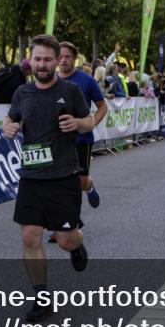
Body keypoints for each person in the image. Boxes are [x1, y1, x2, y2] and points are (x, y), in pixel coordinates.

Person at [1, 34, 94, 321]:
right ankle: (42, 299)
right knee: (30, 236)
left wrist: (78, 123)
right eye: (37, 59)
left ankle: (77, 246)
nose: (42, 65)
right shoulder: (22, 93)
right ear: (31, 60)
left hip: (63, 176)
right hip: (31, 176)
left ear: (57, 60)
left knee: (65, 240)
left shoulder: (72, 90)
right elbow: (11, 118)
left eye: (47, 60)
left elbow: (89, 121)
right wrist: (8, 127)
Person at [57, 41, 108, 211]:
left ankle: (90, 186)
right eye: (60, 56)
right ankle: (66, 224)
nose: (63, 60)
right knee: (60, 182)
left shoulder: (86, 80)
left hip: (81, 138)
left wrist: (91, 123)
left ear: (75, 59)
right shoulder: (51, 80)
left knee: (81, 181)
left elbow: (103, 106)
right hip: (58, 140)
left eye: (68, 57)